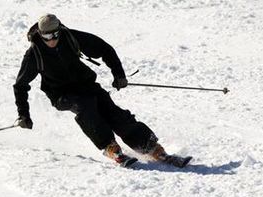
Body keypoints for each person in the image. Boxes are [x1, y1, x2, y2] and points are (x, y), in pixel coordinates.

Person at [13, 14, 190, 167]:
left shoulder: (71, 37)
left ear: (60, 29)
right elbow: (20, 86)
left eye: (55, 34)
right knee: (85, 107)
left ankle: (152, 148)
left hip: (87, 85)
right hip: (62, 94)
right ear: (40, 35)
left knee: (113, 112)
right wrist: (24, 115)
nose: (52, 39)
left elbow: (104, 48)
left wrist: (118, 75)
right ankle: (110, 147)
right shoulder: (34, 54)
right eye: (47, 36)